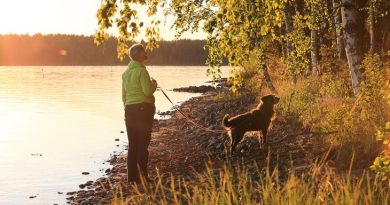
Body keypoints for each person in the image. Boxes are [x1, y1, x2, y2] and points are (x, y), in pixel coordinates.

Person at [122, 44, 157, 183]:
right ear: (139, 55)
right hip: (143, 109)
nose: (146, 53)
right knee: (143, 143)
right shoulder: (142, 71)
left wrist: (128, 107)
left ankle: (132, 178)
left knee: (133, 144)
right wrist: (154, 84)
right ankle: (143, 176)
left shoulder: (125, 73)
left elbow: (123, 96)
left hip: (129, 109)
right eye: (144, 52)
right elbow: (147, 91)